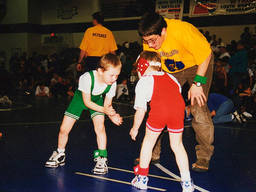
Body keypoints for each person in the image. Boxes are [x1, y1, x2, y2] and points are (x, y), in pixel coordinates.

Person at [137, 12, 214, 172]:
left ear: (163, 31)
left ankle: (204, 156)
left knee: (198, 107)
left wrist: (198, 83)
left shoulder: (182, 30)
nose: (150, 45)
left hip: (197, 64)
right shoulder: (149, 40)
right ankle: (151, 151)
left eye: (153, 40)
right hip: (172, 69)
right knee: (158, 105)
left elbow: (206, 54)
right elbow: (151, 65)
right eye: (146, 41)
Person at [45, 54, 123, 175]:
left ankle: (102, 158)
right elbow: (87, 102)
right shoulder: (87, 78)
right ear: (100, 71)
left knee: (100, 127)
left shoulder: (112, 84)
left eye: (117, 75)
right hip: (80, 100)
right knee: (63, 129)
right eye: (112, 75)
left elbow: (107, 105)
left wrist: (112, 115)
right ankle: (60, 153)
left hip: (97, 101)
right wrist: (106, 111)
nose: (114, 79)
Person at [129, 51, 194, 191]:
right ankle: (187, 182)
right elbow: (176, 94)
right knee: (177, 145)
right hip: (178, 110)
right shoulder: (171, 77)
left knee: (148, 143)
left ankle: (141, 178)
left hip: (160, 110)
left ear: (141, 66)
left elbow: (141, 110)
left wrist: (135, 128)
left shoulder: (145, 81)